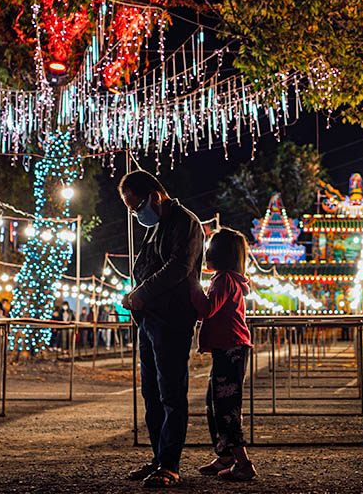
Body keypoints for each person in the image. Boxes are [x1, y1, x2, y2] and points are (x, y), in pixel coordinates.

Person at [119, 170, 204, 488]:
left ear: (154, 196)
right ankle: (158, 458)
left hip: (173, 320)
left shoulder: (186, 222)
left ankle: (170, 464)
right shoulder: (155, 226)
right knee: (151, 394)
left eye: (135, 206)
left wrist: (140, 293)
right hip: (149, 320)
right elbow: (147, 264)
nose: (135, 213)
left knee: (171, 395)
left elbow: (179, 267)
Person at [188, 228, 256, 481]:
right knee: (214, 403)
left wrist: (192, 284)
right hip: (230, 348)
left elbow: (206, 309)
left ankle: (243, 463)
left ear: (219, 253)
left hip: (231, 349)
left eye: (209, 249)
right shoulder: (230, 279)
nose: (205, 253)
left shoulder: (223, 279)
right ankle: (225, 457)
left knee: (226, 407)